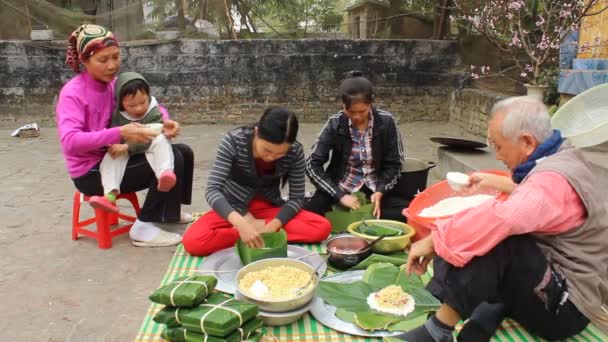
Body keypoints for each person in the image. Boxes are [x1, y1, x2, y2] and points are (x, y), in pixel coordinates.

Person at [397, 96, 608, 342]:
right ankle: (484, 311)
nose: (496, 155)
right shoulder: (560, 154)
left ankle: (438, 331)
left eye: (498, 146)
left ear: (527, 142)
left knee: (494, 237)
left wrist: (433, 241)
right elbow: (530, 197)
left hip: (564, 307)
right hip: (545, 282)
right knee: (466, 228)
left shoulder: (552, 181)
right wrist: (490, 181)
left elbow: (505, 218)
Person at [56, 24, 194, 247]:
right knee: (174, 158)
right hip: (91, 172)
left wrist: (164, 120)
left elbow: (147, 105)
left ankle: (168, 212)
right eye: (103, 60)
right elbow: (70, 142)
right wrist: (119, 132)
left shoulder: (115, 85)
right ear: (84, 60)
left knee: (184, 152)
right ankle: (143, 228)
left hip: (119, 155)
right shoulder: (73, 93)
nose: (112, 65)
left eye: (116, 57)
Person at [182, 107, 331, 256]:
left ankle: (256, 235)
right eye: (267, 150)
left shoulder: (295, 151)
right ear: (257, 132)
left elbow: (296, 198)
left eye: (280, 154)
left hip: (268, 210)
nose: (271, 157)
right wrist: (241, 224)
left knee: (321, 227)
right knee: (193, 241)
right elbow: (212, 190)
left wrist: (273, 225)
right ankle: (253, 236)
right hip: (233, 208)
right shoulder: (233, 142)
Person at [304, 71, 407, 221]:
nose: (357, 117)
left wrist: (380, 191)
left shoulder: (386, 122)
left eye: (362, 111)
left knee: (409, 212)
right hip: (340, 187)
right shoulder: (335, 123)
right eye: (350, 111)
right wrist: (339, 195)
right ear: (343, 105)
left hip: (374, 189)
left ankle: (352, 217)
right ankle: (357, 217)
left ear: (371, 104)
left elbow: (395, 164)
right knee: (308, 216)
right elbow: (312, 165)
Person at [89, 72, 178, 212]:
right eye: (131, 105)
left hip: (148, 146)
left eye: (143, 102)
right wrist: (113, 145)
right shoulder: (118, 115)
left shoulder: (153, 112)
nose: (139, 108)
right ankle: (109, 196)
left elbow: (150, 137)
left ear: (148, 97)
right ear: (121, 103)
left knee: (161, 140)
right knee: (109, 158)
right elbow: (114, 132)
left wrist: (127, 146)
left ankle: (164, 174)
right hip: (127, 150)